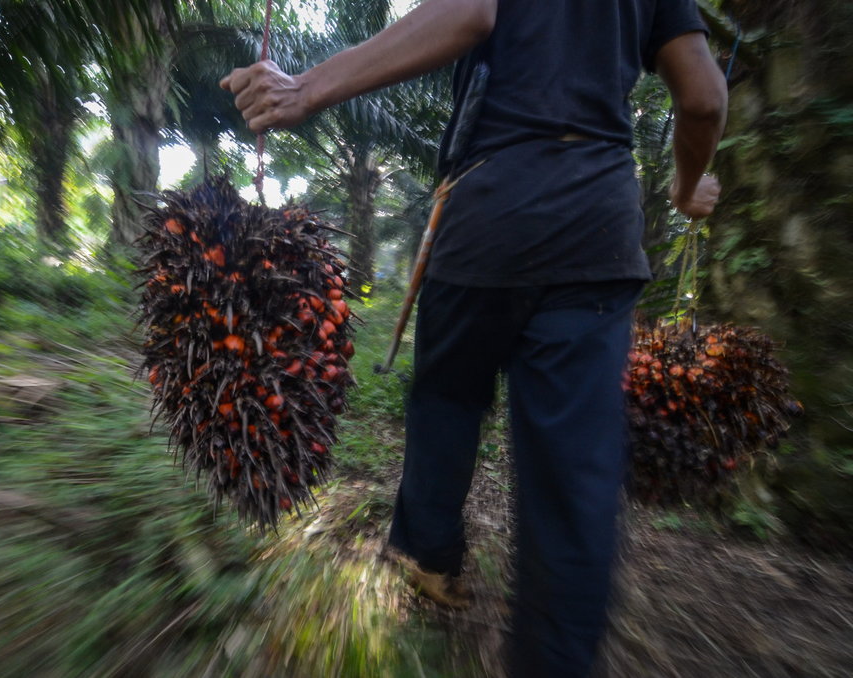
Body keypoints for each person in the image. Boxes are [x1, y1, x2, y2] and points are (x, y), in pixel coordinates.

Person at [221, 1, 727, 675]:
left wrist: (307, 87)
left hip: (485, 214)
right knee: (573, 478)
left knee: (447, 397)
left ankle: (428, 553)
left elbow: (470, 11)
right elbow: (701, 98)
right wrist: (688, 186)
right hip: (593, 231)